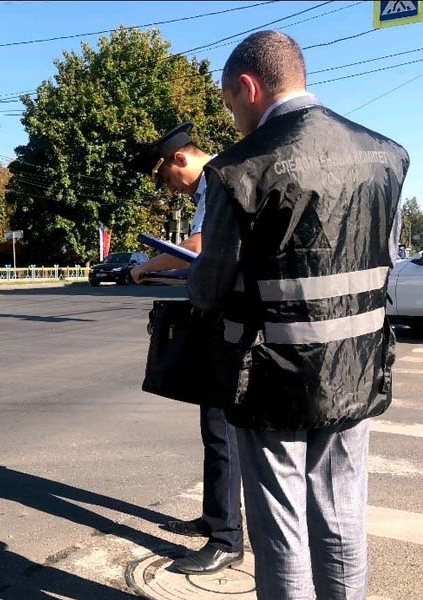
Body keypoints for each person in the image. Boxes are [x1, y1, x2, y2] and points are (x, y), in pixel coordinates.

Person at [188, 31, 408, 599]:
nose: (234, 117)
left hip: (268, 380)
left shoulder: (239, 169)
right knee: (342, 517)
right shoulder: (386, 155)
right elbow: (382, 262)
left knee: (281, 530)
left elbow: (211, 288)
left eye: (231, 103)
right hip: (355, 369)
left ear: (248, 85)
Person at [130, 124, 244, 575]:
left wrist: (146, 266)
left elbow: (199, 247)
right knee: (213, 425)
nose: (168, 187)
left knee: (221, 429)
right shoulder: (210, 186)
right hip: (219, 314)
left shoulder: (217, 180)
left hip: (231, 320)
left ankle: (227, 538)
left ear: (179, 160)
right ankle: (216, 516)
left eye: (164, 178)